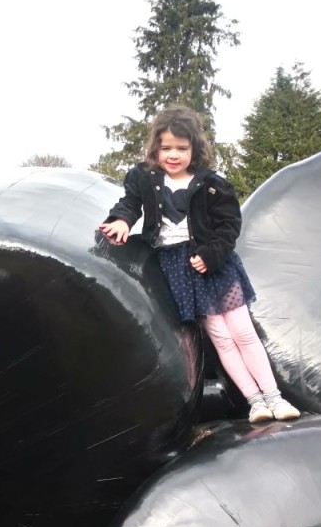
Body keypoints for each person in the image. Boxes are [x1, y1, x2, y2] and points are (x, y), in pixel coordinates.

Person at [98, 104, 300, 423]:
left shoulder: (211, 183)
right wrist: (121, 221)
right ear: (155, 148)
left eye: (181, 148)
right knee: (219, 337)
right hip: (179, 268)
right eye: (166, 148)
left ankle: (275, 398)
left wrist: (211, 254)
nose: (173, 155)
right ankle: (255, 402)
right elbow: (129, 204)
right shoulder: (143, 178)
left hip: (214, 264)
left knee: (243, 332)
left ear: (194, 148)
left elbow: (229, 225)